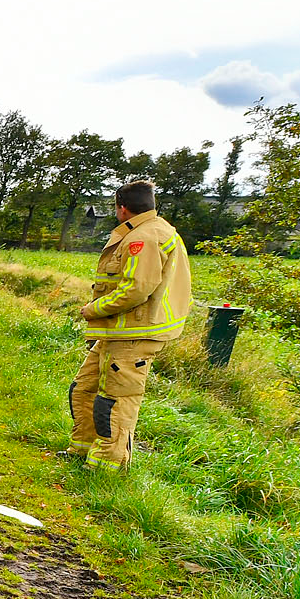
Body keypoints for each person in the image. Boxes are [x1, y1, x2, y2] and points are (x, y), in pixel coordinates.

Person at [66, 179, 192, 470]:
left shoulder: (145, 238)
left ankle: (107, 466)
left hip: (135, 333)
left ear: (122, 208)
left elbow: (136, 289)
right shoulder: (147, 232)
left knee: (116, 400)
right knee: (83, 388)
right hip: (118, 331)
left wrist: (93, 309)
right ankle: (82, 448)